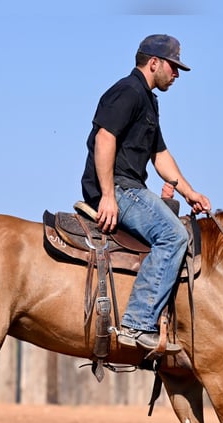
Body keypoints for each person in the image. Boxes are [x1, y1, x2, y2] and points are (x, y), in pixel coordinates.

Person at [80, 34, 212, 354]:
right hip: (120, 189)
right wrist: (108, 196)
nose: (177, 74)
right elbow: (104, 139)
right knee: (173, 236)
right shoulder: (127, 92)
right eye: (173, 66)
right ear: (154, 63)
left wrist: (189, 191)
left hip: (129, 187)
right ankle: (137, 323)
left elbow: (160, 156)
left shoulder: (148, 100)